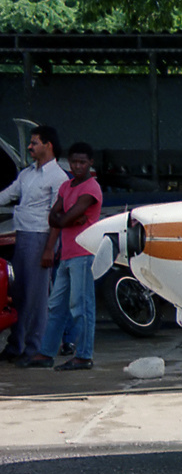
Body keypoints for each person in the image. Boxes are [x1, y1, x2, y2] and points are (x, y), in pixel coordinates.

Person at [28, 143, 102, 371]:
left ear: (90, 163)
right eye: (74, 162)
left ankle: (84, 356)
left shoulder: (92, 188)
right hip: (68, 254)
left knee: (81, 306)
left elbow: (60, 219)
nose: (77, 166)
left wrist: (65, 218)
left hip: (84, 253)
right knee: (57, 305)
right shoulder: (67, 186)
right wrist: (68, 219)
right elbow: (54, 218)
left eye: (82, 162)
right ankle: (46, 353)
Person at [0, 126, 68, 362]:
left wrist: (50, 248)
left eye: (34, 143)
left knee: (36, 298)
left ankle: (34, 350)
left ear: (48, 145)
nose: (30, 147)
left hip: (41, 238)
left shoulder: (58, 177)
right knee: (19, 295)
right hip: (23, 236)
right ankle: (16, 346)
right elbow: (7, 195)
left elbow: (57, 217)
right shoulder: (27, 174)